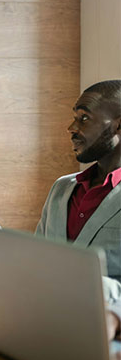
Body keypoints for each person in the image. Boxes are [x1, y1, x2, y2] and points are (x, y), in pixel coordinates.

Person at [36, 79, 121, 303]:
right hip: (43, 316)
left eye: (84, 118)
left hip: (104, 329)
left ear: (118, 126)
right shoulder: (61, 188)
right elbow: (37, 260)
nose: (72, 128)